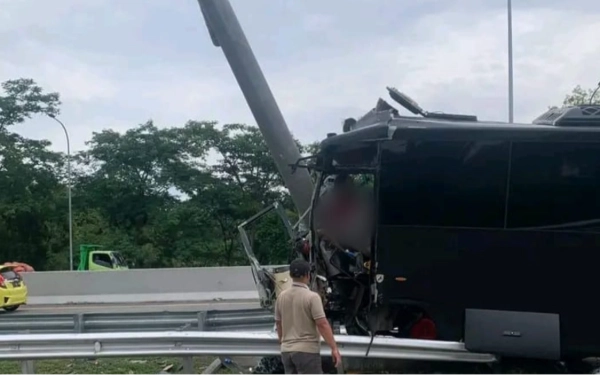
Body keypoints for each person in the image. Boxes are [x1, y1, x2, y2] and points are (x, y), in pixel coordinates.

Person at [274, 259, 342, 375]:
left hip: (287, 352)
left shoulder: (281, 297)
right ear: (307, 275)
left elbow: (278, 323)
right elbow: (322, 324)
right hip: (307, 352)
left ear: (290, 275)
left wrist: (283, 343)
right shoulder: (312, 297)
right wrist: (334, 348)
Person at [314, 173, 373, 257]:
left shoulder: (363, 204)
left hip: (367, 248)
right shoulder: (329, 207)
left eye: (349, 188)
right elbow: (319, 229)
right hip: (343, 251)